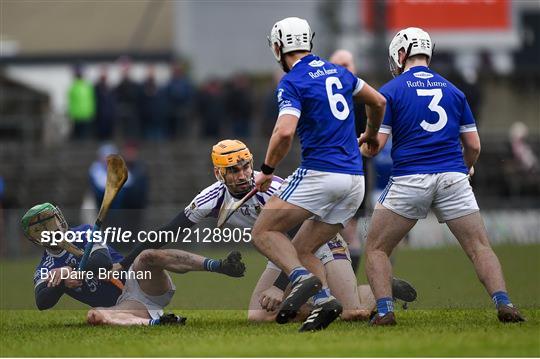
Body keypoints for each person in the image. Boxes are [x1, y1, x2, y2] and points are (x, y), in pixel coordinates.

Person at [115, 140, 417, 323]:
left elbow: (302, 241)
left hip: (318, 244)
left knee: (354, 314)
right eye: (233, 170)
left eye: (245, 166)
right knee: (258, 317)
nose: (243, 174)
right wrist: (123, 264)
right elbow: (168, 232)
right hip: (284, 255)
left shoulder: (271, 188)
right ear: (218, 174)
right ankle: (321, 300)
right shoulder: (212, 197)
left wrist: (280, 285)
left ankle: (376, 291)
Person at [362, 27, 525, 325]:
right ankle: (505, 302)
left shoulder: (391, 91)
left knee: (376, 248)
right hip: (453, 177)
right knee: (479, 247)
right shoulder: (455, 91)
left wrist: (365, 139)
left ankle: (385, 311)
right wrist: (466, 166)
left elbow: (377, 147)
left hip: (410, 178)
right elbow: (474, 145)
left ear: (401, 54)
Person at [251, 17, 386, 331]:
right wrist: (371, 133)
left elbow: (284, 133)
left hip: (321, 175)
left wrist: (268, 171)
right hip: (354, 181)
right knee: (301, 249)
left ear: (277, 48)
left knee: (262, 232)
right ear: (308, 43)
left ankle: (300, 280)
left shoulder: (292, 82)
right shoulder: (339, 72)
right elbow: (378, 101)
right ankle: (325, 300)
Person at [21, 203, 245, 326]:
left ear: (61, 219)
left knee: (147, 255)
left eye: (52, 222)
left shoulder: (85, 233)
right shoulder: (46, 266)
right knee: (95, 316)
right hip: (124, 305)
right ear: (34, 238)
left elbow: (102, 262)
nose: (51, 230)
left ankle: (219, 265)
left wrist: (73, 270)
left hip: (139, 282)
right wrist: (61, 282)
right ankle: (159, 323)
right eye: (41, 229)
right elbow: (42, 301)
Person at [328, 49, 367, 273]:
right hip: (328, 169)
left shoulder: (363, 97)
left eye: (347, 65)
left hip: (356, 170)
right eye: (339, 65)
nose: (344, 69)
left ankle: (349, 283)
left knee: (350, 229)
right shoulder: (325, 95)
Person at [67, 65, 95, 140]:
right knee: (81, 137)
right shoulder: (84, 87)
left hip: (84, 116)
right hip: (80, 116)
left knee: (83, 137)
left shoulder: (76, 87)